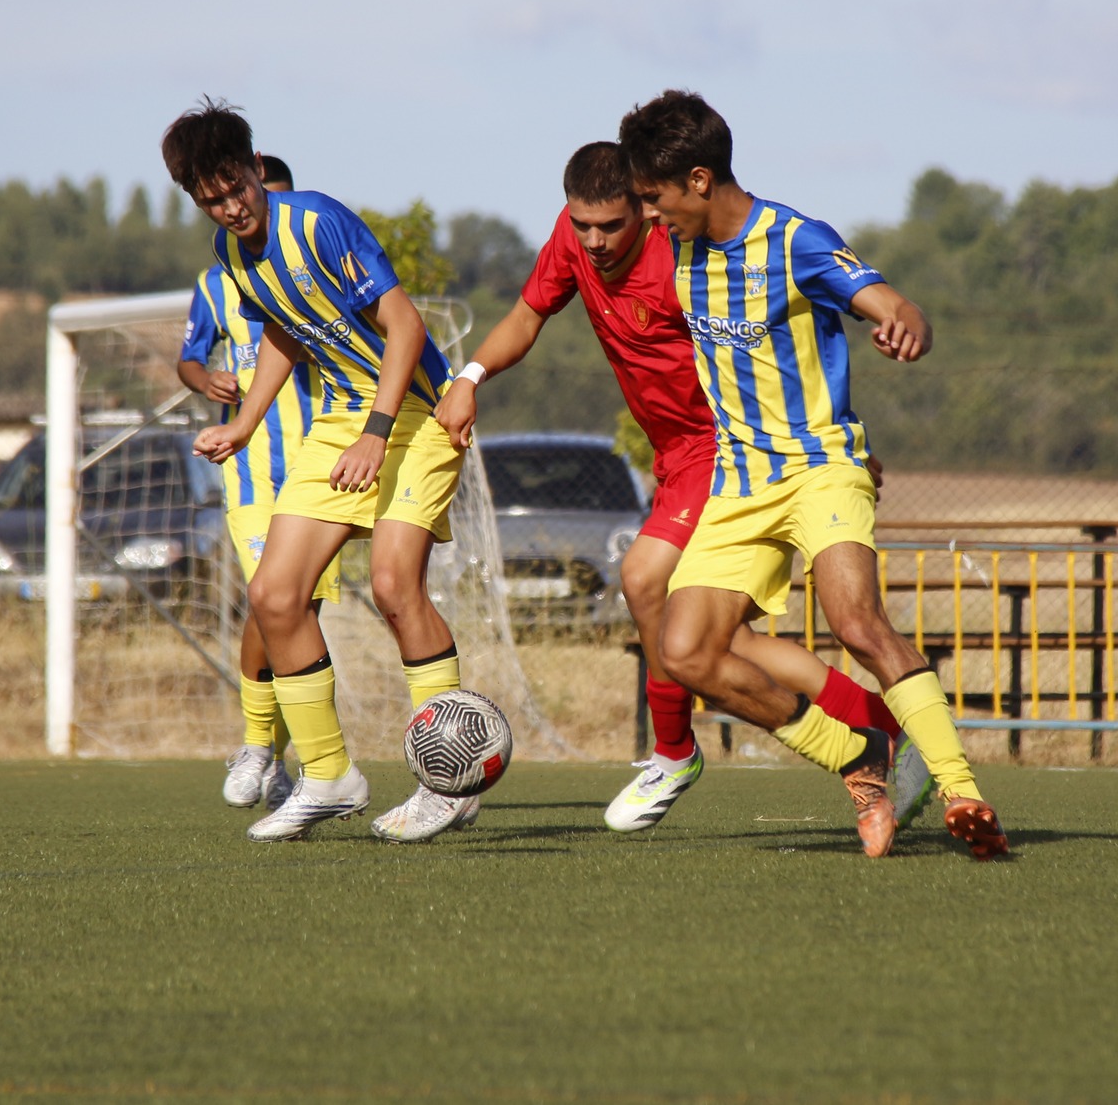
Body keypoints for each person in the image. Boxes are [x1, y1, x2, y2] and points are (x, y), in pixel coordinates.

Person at [435, 141, 933, 833]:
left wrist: (847, 441)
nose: (595, 240)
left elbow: (778, 343)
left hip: (724, 449)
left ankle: (674, 750)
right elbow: (526, 316)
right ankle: (881, 730)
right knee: (724, 648)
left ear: (644, 205)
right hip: (671, 455)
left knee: (643, 579)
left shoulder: (681, 255)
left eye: (611, 224)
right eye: (582, 225)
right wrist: (469, 379)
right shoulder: (574, 237)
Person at [617, 90, 1008, 860]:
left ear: (699, 180)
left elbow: (889, 299)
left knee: (857, 622)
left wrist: (905, 321)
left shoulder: (795, 238)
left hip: (822, 468)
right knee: (686, 652)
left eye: (655, 198)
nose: (649, 217)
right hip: (739, 483)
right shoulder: (677, 249)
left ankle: (963, 792)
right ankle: (858, 757)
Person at [166, 100, 478, 844]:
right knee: (275, 596)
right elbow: (282, 326)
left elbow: (406, 325)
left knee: (395, 585)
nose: (231, 205)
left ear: (253, 166)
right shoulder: (231, 253)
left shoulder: (317, 220)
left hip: (416, 414)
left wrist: (377, 431)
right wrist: (243, 424)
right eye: (212, 197)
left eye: (236, 185)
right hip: (340, 421)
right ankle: (330, 774)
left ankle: (451, 781)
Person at [177, 154, 344, 814]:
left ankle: (299, 757)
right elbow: (190, 356)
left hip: (320, 465)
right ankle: (260, 745)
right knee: (267, 599)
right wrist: (204, 378)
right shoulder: (218, 282)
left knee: (298, 610)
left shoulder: (312, 273)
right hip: (250, 475)